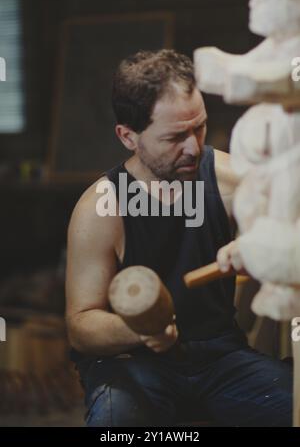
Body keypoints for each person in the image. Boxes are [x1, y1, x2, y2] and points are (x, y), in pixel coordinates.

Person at [65, 49, 293, 427]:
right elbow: (81, 327)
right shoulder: (100, 208)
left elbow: (291, 227)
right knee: (116, 425)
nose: (193, 147)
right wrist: (139, 329)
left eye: (198, 127)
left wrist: (264, 244)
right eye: (175, 137)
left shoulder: (229, 178)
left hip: (219, 356)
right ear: (128, 137)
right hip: (133, 363)